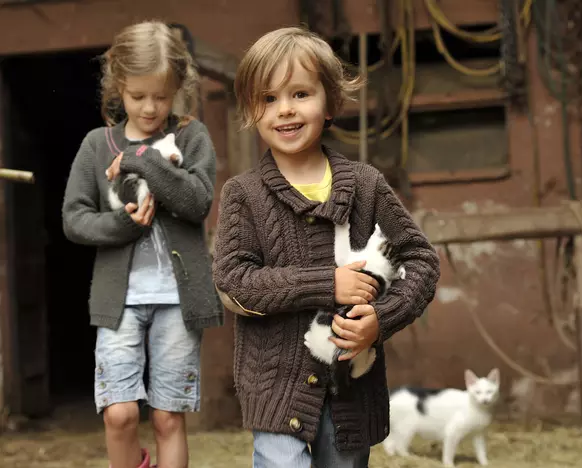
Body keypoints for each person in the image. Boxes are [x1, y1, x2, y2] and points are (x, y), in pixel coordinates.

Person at [213, 26, 440, 468]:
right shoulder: (243, 195)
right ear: (250, 110)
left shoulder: (365, 185)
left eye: (300, 94)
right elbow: (234, 279)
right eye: (268, 98)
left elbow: (421, 259)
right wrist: (327, 283)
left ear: (330, 102)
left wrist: (382, 318)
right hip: (276, 385)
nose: (285, 111)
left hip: (351, 387)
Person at [62, 20, 222, 468]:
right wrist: (123, 225)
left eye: (162, 96)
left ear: (178, 88)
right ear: (118, 87)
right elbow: (74, 219)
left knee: (169, 418)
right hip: (120, 301)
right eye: (138, 96)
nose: (151, 108)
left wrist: (142, 159)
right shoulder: (97, 145)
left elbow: (197, 201)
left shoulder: (191, 137)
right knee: (120, 414)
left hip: (177, 299)